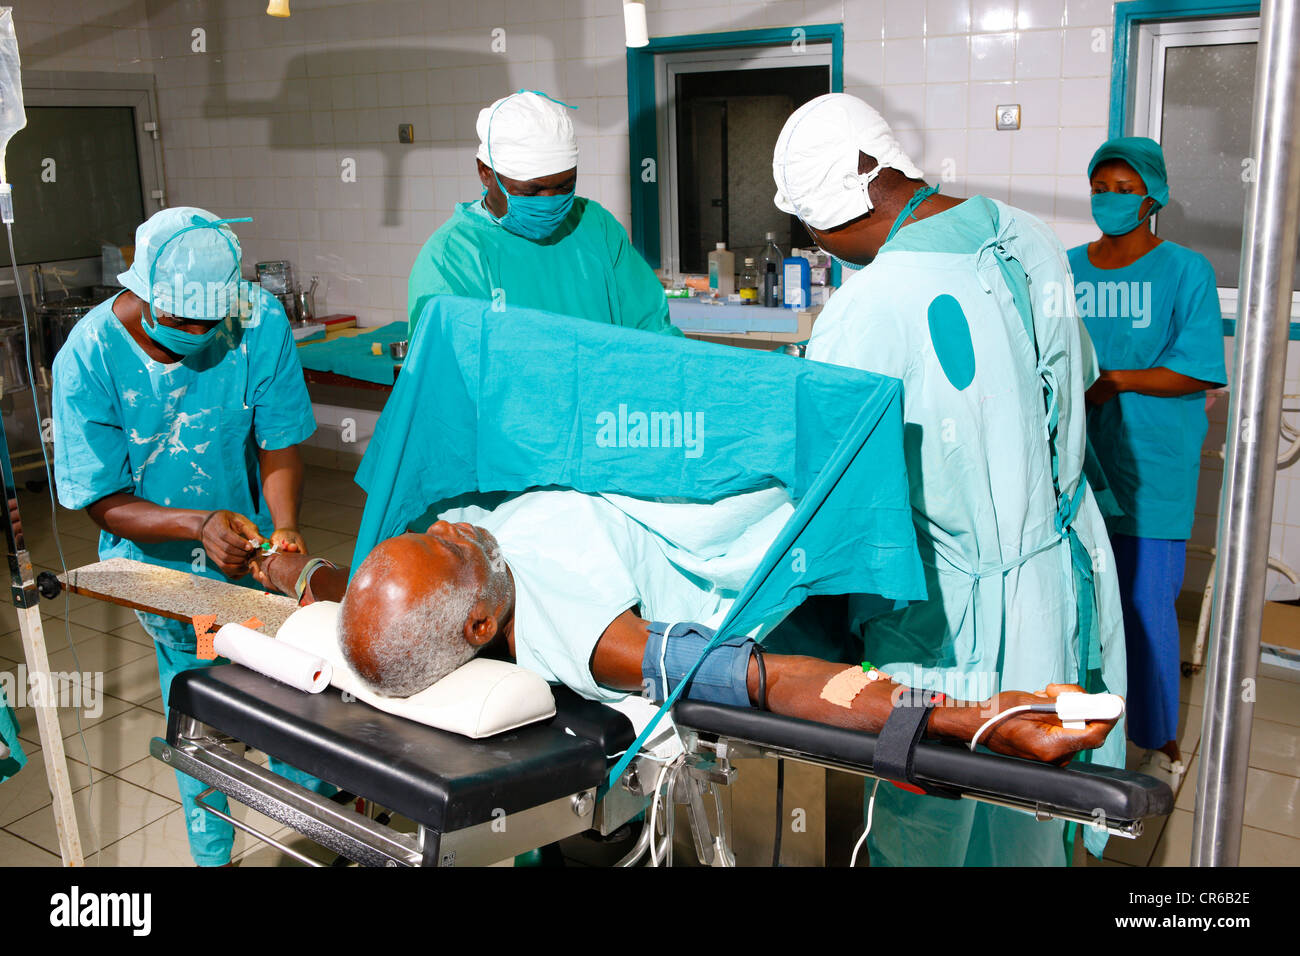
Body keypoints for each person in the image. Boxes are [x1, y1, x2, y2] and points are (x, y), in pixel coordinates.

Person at [769, 93, 1126, 866]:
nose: (825, 249)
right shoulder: (1027, 233)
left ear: (833, 209)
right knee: (1030, 801)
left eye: (814, 232)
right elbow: (1077, 381)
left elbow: (831, 492)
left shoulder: (867, 308)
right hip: (1049, 578)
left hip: (943, 615)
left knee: (927, 822)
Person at [250, 489, 1118, 769]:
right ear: (481, 623)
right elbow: (772, 679)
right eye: (451, 546)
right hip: (735, 518)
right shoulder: (596, 638)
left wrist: (297, 575)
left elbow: (345, 598)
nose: (458, 525)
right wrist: (975, 716)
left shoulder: (426, 602)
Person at [51, 206, 333, 866]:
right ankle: (213, 853)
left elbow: (281, 439)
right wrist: (195, 527)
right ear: (142, 288)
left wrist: (283, 526)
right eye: (180, 320)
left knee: (297, 707)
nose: (200, 333)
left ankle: (311, 836)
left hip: (252, 555)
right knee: (203, 716)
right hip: (159, 570)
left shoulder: (256, 321)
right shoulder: (88, 358)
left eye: (212, 321)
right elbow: (101, 499)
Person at [1067, 137, 1227, 789]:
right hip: (1077, 458)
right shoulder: (1068, 266)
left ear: (1152, 197)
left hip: (1150, 462)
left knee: (1144, 601)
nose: (1109, 200)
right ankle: (1079, 717)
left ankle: (1155, 732)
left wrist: (1116, 382)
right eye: (1099, 188)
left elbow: (1198, 371)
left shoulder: (1185, 271)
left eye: (1123, 189)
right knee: (1081, 596)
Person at [406, 90, 679, 338]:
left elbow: (652, 330)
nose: (550, 201)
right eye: (531, 191)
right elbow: (444, 370)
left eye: (564, 186)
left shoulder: (596, 227)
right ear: (486, 172)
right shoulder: (453, 258)